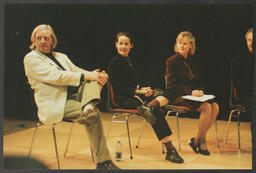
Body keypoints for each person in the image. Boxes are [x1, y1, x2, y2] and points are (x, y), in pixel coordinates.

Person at [23, 24, 120, 170]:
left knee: (94, 80)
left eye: (46, 38)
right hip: (55, 103)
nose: (42, 41)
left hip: (75, 96)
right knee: (96, 115)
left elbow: (75, 70)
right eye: (39, 38)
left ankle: (88, 108)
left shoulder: (61, 56)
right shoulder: (31, 59)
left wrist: (96, 75)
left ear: (52, 41)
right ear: (34, 41)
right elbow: (57, 76)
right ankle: (103, 162)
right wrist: (89, 76)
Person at [107, 32, 184, 164]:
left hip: (138, 95)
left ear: (131, 45)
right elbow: (118, 87)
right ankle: (170, 149)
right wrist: (139, 91)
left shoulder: (133, 60)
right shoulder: (113, 63)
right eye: (120, 43)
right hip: (123, 99)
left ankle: (149, 106)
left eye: (126, 44)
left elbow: (142, 78)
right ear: (116, 45)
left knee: (168, 92)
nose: (123, 46)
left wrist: (146, 89)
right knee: (154, 110)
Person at [166, 31, 219, 155]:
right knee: (206, 107)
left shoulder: (196, 59)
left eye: (185, 44)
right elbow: (172, 85)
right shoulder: (171, 61)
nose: (181, 46)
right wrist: (190, 92)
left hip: (194, 95)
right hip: (178, 95)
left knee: (215, 107)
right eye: (179, 43)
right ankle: (201, 141)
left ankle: (195, 140)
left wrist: (200, 91)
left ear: (191, 45)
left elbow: (200, 80)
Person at [230, 27, 253, 138]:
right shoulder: (238, 60)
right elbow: (238, 84)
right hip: (245, 95)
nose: (252, 43)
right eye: (249, 40)